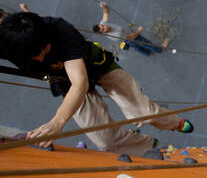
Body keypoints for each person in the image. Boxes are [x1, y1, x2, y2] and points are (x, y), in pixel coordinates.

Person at [0, 12, 194, 154]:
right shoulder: (9, 46)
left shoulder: (59, 29)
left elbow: (80, 83)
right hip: (64, 82)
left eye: (45, 50)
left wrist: (57, 122)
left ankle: (174, 123)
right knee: (104, 140)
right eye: (36, 57)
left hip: (95, 67)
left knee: (142, 113)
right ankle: (145, 144)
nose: (43, 59)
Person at [93, 2, 169, 56]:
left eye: (102, 26)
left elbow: (106, 12)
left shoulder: (103, 23)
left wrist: (104, 6)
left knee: (137, 47)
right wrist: (139, 31)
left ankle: (147, 53)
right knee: (145, 43)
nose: (105, 26)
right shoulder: (115, 35)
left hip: (128, 35)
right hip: (130, 38)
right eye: (103, 29)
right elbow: (131, 37)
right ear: (103, 33)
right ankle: (161, 49)